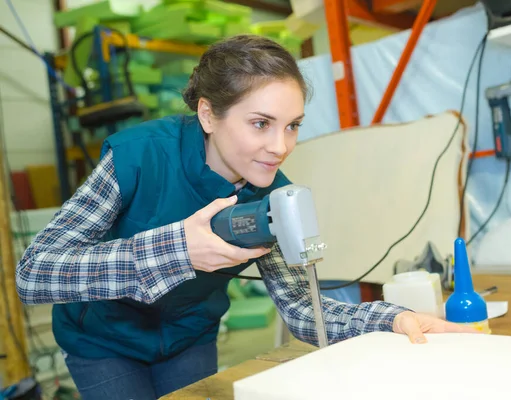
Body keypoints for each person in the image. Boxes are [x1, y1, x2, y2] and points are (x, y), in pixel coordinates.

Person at [16, 34, 477, 400]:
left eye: (292, 125)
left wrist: (391, 321)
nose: (280, 147)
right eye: (261, 123)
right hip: (104, 342)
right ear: (208, 114)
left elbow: (301, 308)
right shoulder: (137, 157)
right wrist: (178, 250)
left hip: (189, 337)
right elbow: (35, 273)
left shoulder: (273, 194)